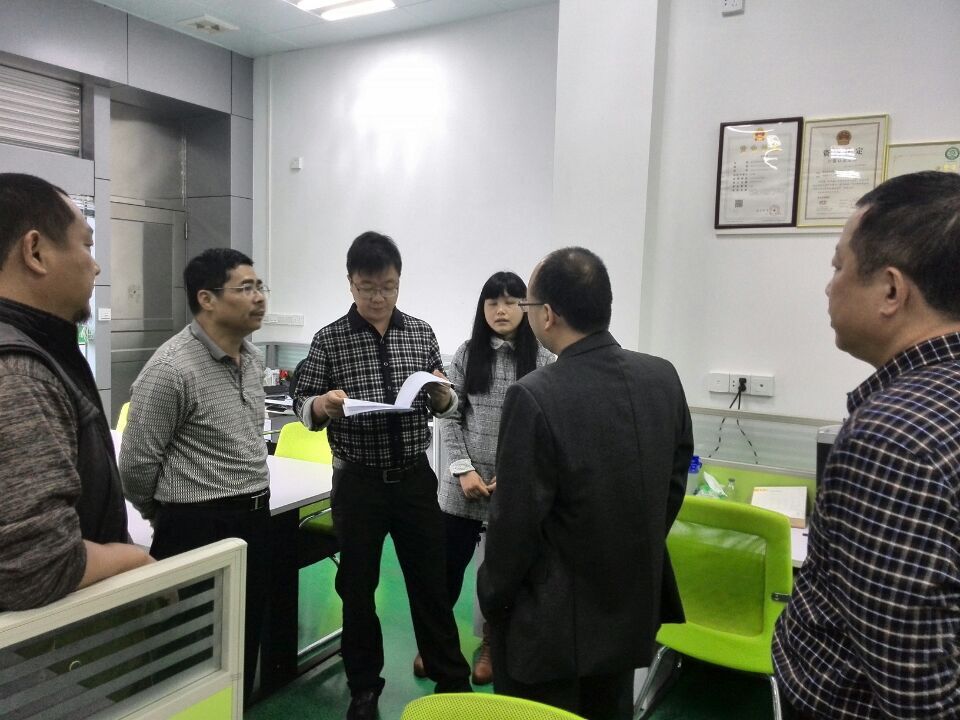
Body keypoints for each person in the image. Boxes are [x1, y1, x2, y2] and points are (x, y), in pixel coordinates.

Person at [773, 171, 960, 720]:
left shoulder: (893, 439)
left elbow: (913, 692)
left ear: (892, 291)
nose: (829, 287)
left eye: (839, 267)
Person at [478, 247, 693, 720]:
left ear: (548, 314)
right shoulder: (662, 377)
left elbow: (514, 525)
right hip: (628, 605)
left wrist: (492, 598)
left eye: (528, 304)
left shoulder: (534, 395)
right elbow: (673, 481)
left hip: (548, 622)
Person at [293, 231, 471, 720]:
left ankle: (451, 682)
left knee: (431, 585)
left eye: (388, 287)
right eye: (368, 287)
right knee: (357, 590)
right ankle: (364, 689)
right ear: (351, 283)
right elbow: (302, 405)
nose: (378, 297)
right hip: (358, 485)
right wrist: (323, 405)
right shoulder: (329, 339)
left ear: (399, 282)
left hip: (414, 480)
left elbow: (446, 401)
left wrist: (443, 396)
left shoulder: (420, 332)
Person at [119, 248, 269, 704]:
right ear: (206, 298)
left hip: (254, 518)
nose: (259, 297)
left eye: (260, 286)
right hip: (195, 526)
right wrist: (164, 513)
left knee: (243, 635)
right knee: (187, 651)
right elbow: (136, 464)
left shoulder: (253, 360)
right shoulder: (171, 369)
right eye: (246, 288)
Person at [0, 173, 152, 611]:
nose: (96, 265)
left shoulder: (35, 351)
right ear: (35, 252)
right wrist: (133, 560)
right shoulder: (20, 373)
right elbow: (35, 569)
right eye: (87, 245)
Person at [420, 271, 553, 685]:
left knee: (503, 576)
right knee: (446, 571)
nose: (501, 310)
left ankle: (494, 644)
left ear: (526, 307)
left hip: (514, 490)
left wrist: (515, 478)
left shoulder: (543, 358)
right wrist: (463, 470)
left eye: (511, 301)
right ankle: (436, 645)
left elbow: (544, 428)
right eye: (493, 302)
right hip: (461, 485)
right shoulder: (466, 353)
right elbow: (448, 416)